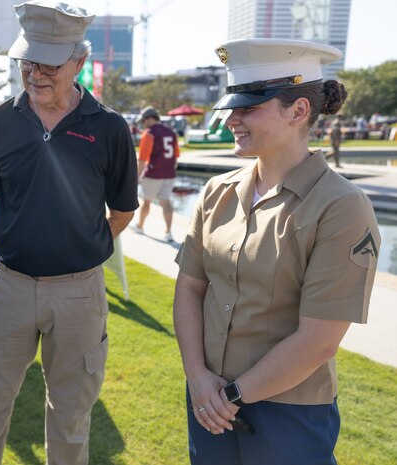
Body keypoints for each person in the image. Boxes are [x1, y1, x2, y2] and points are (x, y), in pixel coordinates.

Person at [173, 38, 380, 465]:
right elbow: (190, 289)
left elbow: (319, 341)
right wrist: (198, 377)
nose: (231, 118)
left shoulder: (341, 206)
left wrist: (227, 395)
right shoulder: (217, 192)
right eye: (232, 106)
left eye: (249, 106)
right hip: (209, 400)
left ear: (299, 110)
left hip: (289, 414)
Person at [0, 2, 139, 464]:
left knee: (71, 418)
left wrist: (76, 245)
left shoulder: (111, 128)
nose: (34, 73)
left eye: (49, 63)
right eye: (26, 60)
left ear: (79, 61)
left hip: (79, 294)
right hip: (9, 288)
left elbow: (121, 211)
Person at [132, 105, 180, 242]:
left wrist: (136, 176)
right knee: (166, 202)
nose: (143, 123)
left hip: (153, 174)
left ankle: (140, 226)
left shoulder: (149, 133)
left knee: (146, 202)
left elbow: (142, 159)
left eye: (143, 120)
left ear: (148, 119)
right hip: (169, 173)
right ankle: (168, 232)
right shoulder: (171, 132)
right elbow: (176, 156)